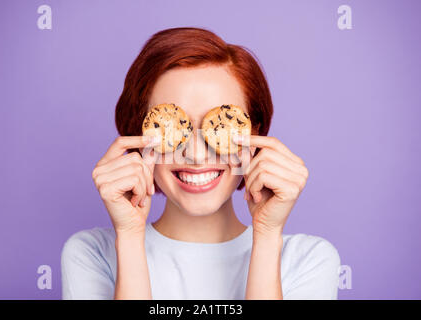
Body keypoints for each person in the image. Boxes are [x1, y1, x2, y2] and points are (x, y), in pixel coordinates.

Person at [61, 27, 340, 300]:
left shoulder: (308, 260)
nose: (195, 154)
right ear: (140, 136)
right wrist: (129, 237)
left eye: (222, 126)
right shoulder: (93, 254)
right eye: (169, 127)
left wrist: (267, 235)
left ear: (253, 134)